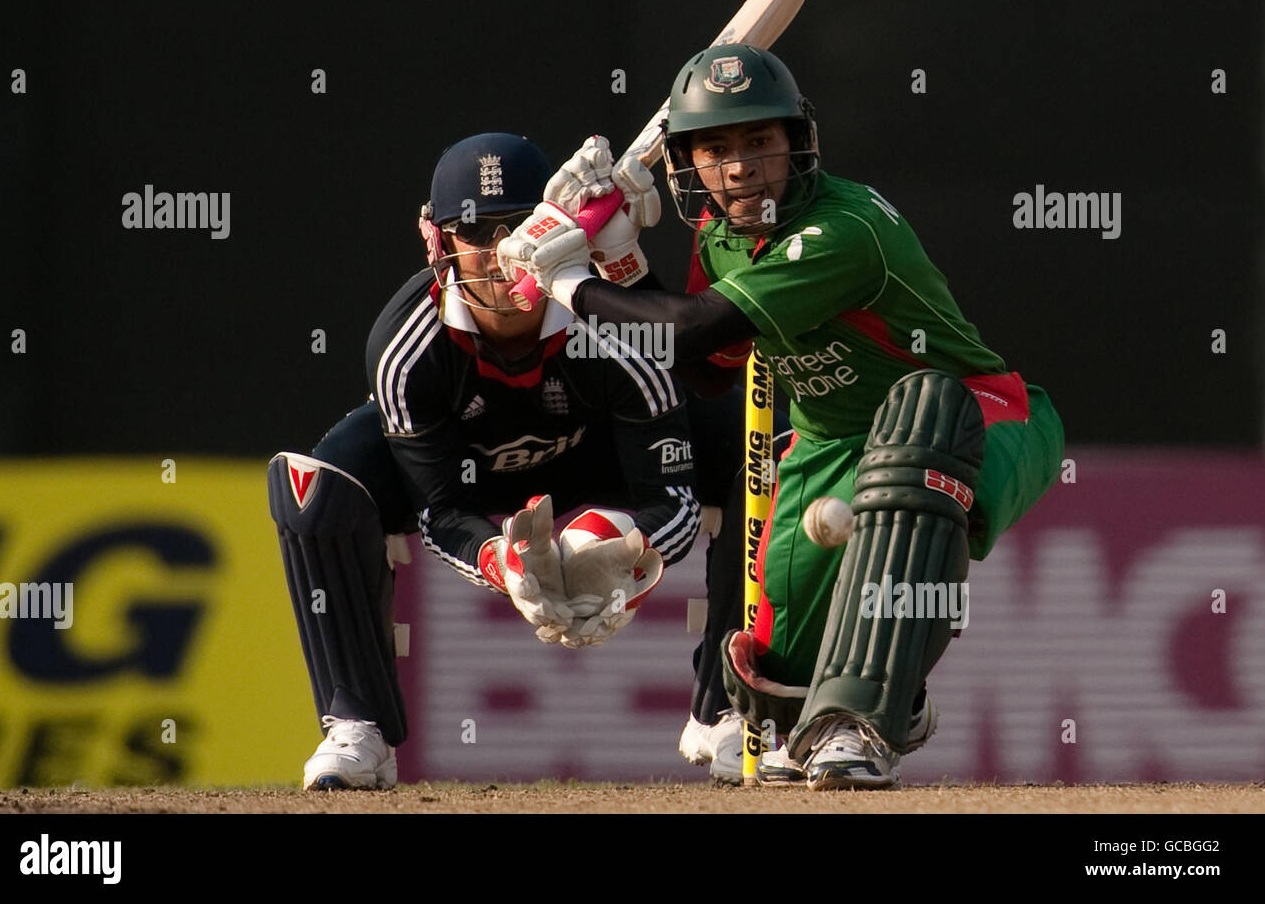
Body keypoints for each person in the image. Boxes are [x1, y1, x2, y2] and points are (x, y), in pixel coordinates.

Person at [497, 46, 1065, 790]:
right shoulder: (723, 240)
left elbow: (688, 326)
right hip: (831, 446)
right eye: (718, 148)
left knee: (910, 462)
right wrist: (619, 260)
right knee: (777, 676)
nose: (740, 167)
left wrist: (568, 279)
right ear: (688, 163)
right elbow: (703, 369)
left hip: (974, 414)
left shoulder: (843, 228)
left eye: (759, 143)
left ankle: (863, 721)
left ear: (797, 144)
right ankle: (893, 696)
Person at [268, 132, 727, 790]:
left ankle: (731, 710)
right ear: (440, 241)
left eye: (514, 225)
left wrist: (627, 547)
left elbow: (674, 498)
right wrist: (504, 563)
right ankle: (355, 727)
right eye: (476, 230)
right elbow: (442, 509)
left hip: (600, 457)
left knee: (753, 451)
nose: (497, 251)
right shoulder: (406, 345)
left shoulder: (611, 320)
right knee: (313, 485)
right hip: (468, 469)